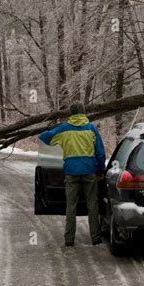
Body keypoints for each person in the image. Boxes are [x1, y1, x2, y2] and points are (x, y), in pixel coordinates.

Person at [39, 103, 106, 247]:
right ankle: (95, 238)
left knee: (71, 206)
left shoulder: (64, 129)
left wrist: (50, 128)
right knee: (92, 206)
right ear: (83, 113)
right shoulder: (91, 129)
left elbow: (45, 137)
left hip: (71, 172)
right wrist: (101, 170)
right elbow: (100, 153)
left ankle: (69, 239)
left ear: (71, 114)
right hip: (89, 171)